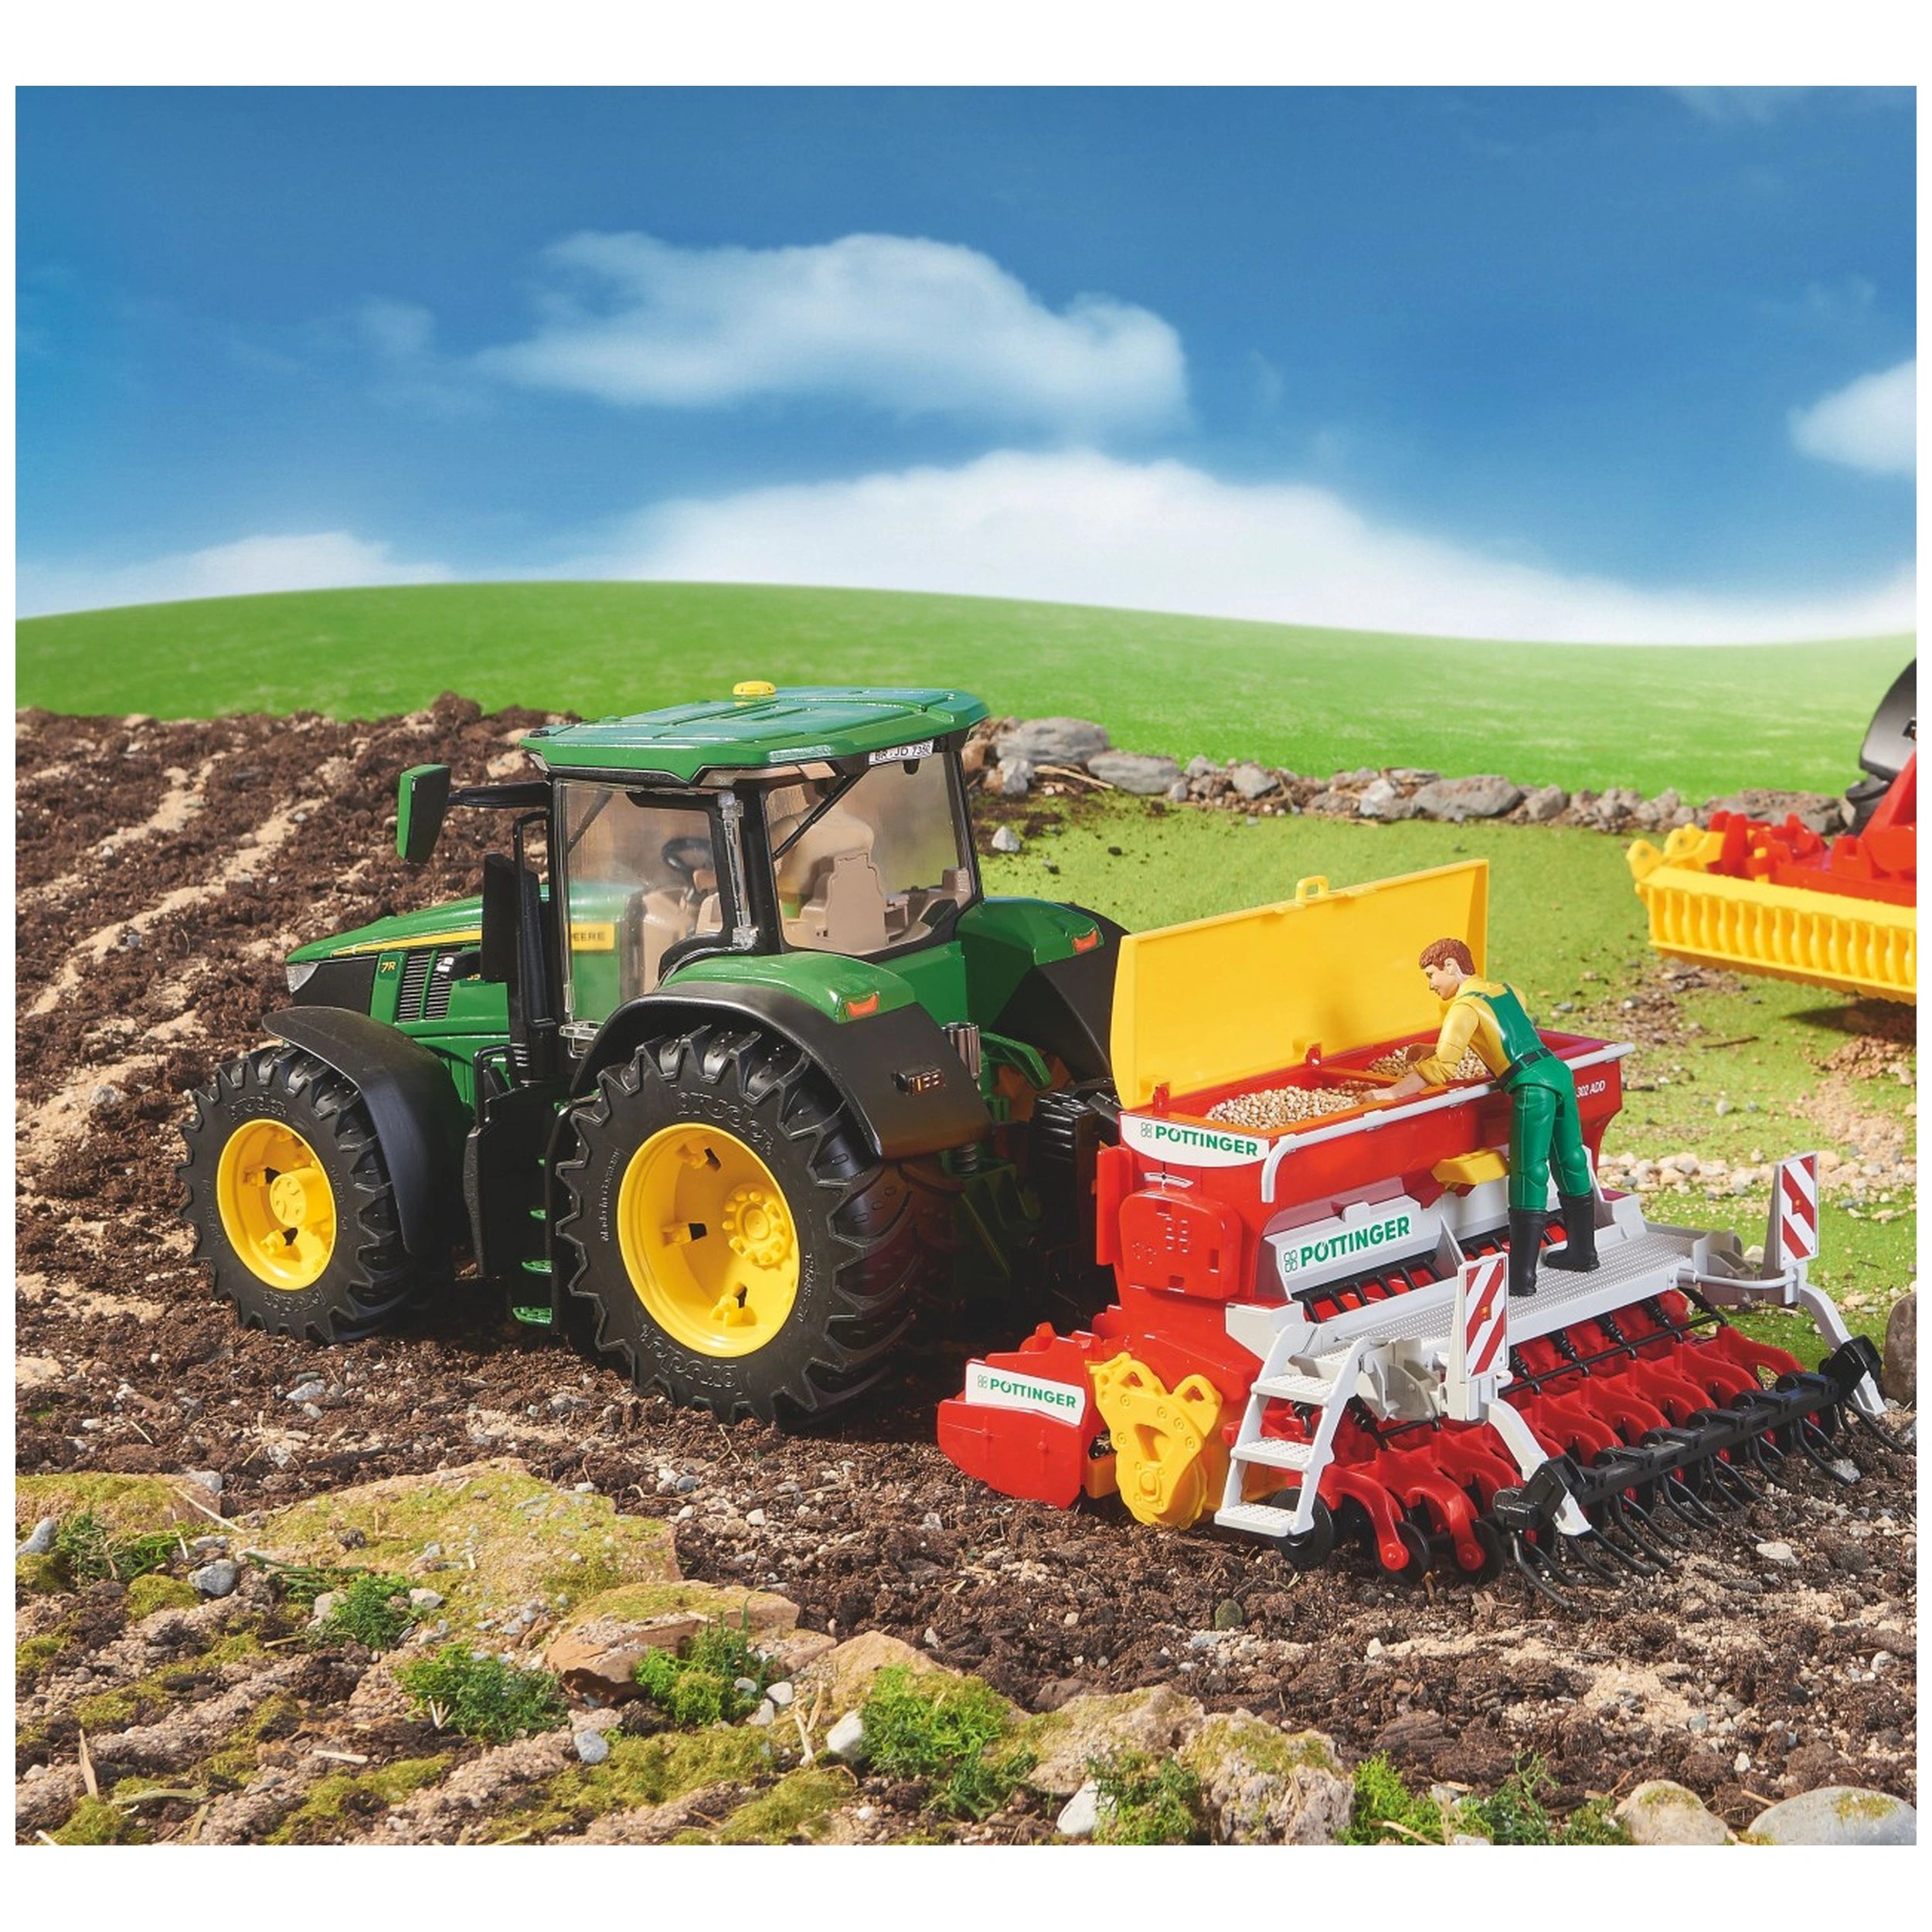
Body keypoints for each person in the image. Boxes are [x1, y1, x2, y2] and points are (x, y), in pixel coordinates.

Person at [1385, 937, 1598, 1298]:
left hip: (1532, 1087)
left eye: (1431, 975)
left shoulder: (1461, 1008)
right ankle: (1583, 1252)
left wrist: (1392, 1093)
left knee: (1529, 1171)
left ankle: (1522, 1279)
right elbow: (1496, 1028)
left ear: (1452, 966)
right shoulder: (1502, 989)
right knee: (1572, 1160)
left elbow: (1442, 1068)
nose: (1431, 984)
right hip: (1557, 1072)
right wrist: (1435, 1046)